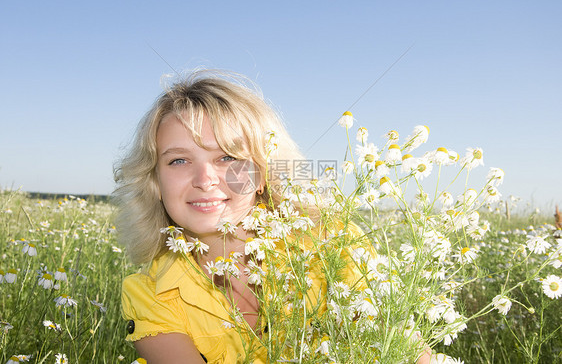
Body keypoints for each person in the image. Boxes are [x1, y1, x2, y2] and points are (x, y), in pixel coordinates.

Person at [115, 70, 431, 363]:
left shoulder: (334, 241)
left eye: (228, 156)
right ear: (155, 182)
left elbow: (408, 352)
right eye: (179, 161)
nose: (205, 179)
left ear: (264, 173)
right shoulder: (151, 294)